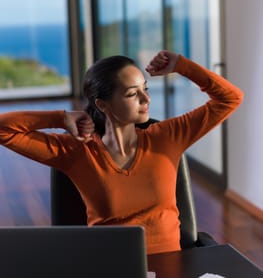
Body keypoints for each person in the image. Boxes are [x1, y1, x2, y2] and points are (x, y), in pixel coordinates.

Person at [0, 50, 243, 254]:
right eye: (131, 94)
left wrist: (182, 66)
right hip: (110, 267)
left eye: (145, 88)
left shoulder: (167, 137)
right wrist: (60, 118)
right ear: (102, 105)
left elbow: (230, 98)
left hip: (171, 267)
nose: (145, 98)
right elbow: (4, 130)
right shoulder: (76, 151)